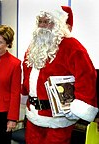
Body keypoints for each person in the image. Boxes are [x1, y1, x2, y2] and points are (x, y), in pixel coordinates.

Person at [21, 6, 99, 144]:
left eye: (48, 21)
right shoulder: (33, 48)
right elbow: (28, 77)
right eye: (41, 21)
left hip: (58, 119)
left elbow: (87, 77)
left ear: (58, 25)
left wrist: (78, 106)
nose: (43, 25)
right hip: (33, 117)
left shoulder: (72, 46)